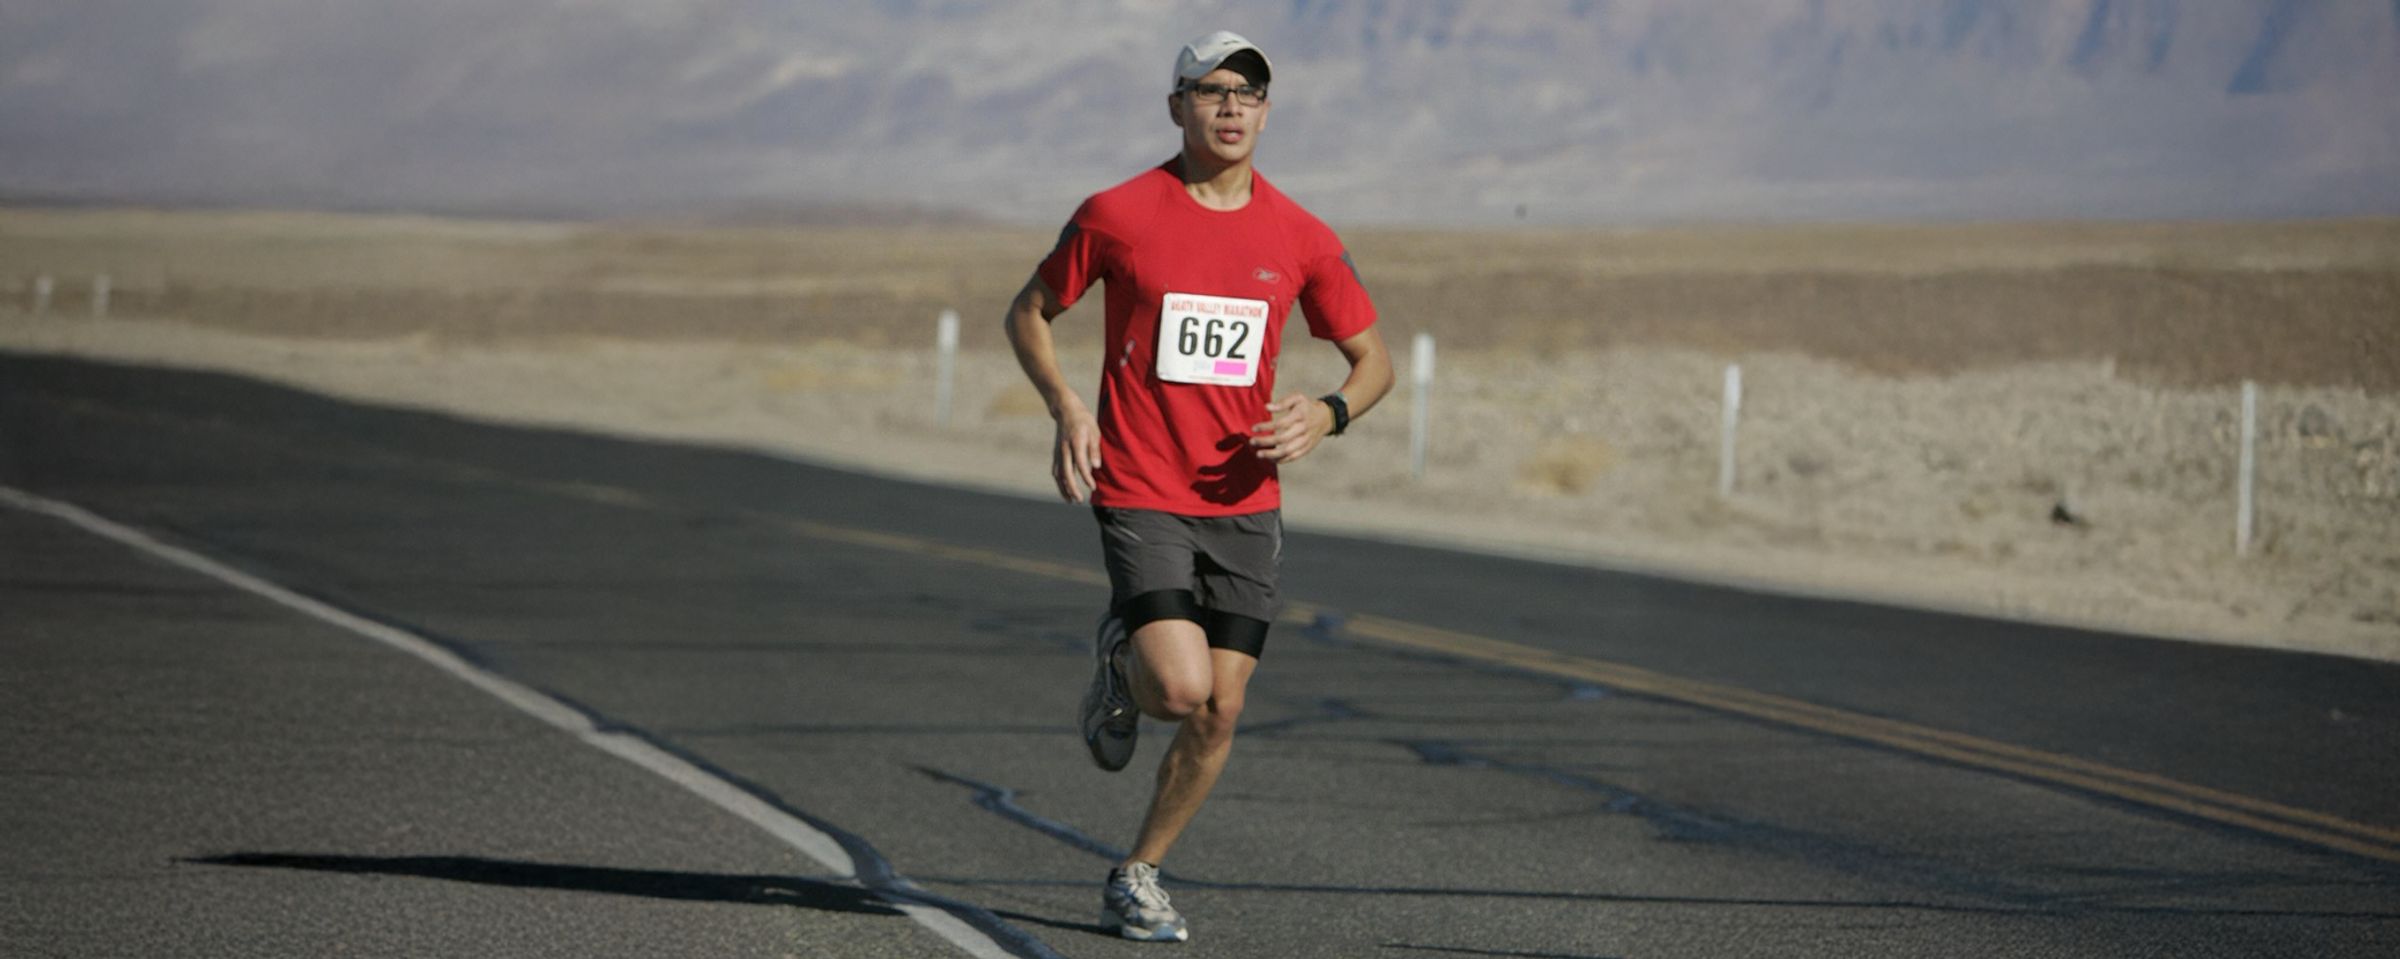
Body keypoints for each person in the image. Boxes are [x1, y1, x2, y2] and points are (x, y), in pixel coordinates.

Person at [1002, 29, 1394, 944]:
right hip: (1140, 480)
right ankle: (1126, 655)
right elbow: (1029, 311)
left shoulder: (1300, 236)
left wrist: (1328, 415)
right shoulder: (1118, 212)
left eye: (1248, 93)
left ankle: (1137, 872)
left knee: (1223, 707)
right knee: (1178, 690)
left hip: (1245, 500)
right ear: (1176, 105)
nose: (1230, 107)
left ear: (1266, 111)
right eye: (1211, 90)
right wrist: (1067, 405)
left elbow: (1373, 359)